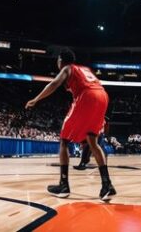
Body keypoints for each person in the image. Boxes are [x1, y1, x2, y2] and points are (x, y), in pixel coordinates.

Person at [25, 49, 116, 202]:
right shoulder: (85, 69)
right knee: (92, 140)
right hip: (103, 96)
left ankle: (63, 185)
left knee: (64, 141)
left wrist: (36, 99)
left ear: (61, 60)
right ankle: (107, 185)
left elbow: (54, 84)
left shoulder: (67, 68)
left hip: (88, 95)